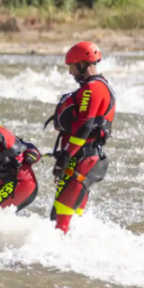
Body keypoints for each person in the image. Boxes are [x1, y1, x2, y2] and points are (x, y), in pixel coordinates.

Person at [47, 42, 115, 233]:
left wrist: (64, 157)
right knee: (69, 221)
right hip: (84, 158)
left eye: (72, 67)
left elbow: (84, 128)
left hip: (84, 159)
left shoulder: (92, 89)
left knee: (59, 222)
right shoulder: (97, 86)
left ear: (83, 64)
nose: (70, 72)